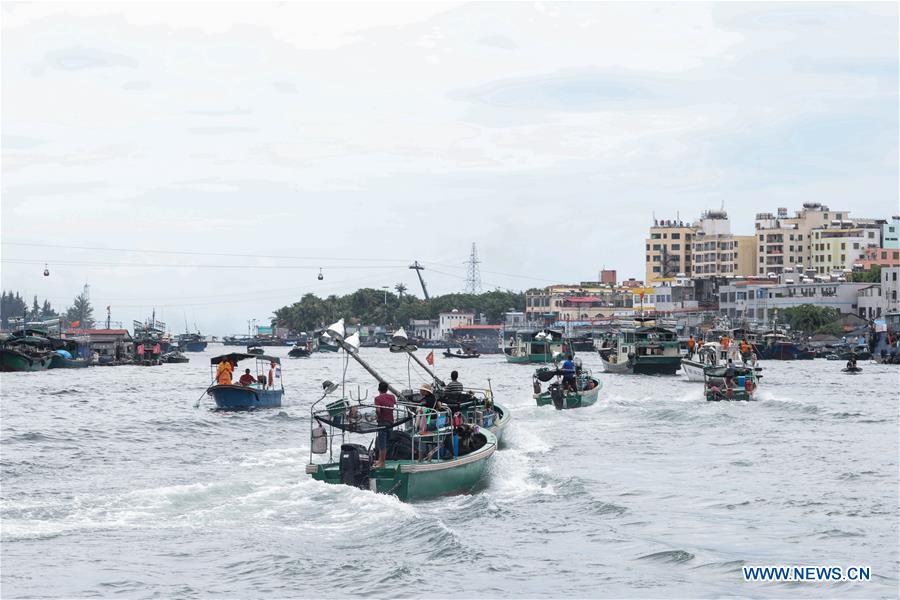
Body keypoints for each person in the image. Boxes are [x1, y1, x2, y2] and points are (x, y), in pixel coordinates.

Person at [373, 381, 396, 468]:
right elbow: (393, 404)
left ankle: (382, 463)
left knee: (382, 444)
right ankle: (380, 460)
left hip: (382, 422)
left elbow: (378, 410)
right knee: (386, 442)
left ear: (379, 389)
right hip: (391, 422)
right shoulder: (392, 397)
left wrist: (377, 415)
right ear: (387, 389)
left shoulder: (377, 399)